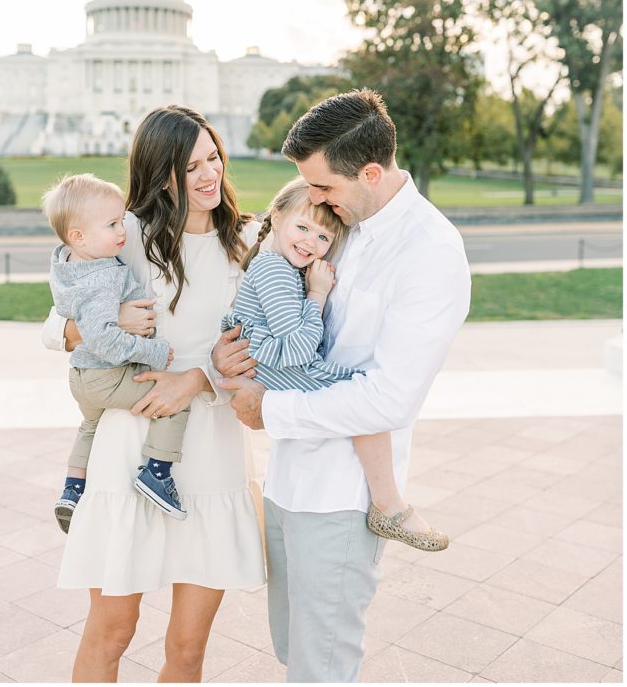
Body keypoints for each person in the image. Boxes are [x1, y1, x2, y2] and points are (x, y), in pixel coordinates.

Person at [215, 89, 471, 683]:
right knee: (290, 647)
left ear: (371, 172)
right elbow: (273, 313)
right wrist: (230, 355)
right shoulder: (339, 223)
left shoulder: (430, 252)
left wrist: (268, 408)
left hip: (342, 495)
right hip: (287, 480)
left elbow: (389, 397)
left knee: (322, 666)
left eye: (324, 187)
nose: (315, 201)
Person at [42, 105, 265, 683]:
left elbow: (263, 348)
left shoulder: (247, 240)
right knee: (112, 632)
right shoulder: (127, 235)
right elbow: (53, 328)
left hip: (210, 454)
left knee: (187, 648)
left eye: (213, 157)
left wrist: (197, 379)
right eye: (189, 165)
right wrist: (105, 319)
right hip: (128, 452)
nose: (208, 174)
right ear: (159, 172)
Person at [222, 175, 448, 550]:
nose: (311, 242)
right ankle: (389, 504)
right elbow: (296, 350)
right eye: (303, 227)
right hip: (278, 365)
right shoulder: (276, 270)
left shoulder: (278, 266)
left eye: (324, 238)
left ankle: (387, 501)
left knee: (359, 394)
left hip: (272, 362)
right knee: (362, 397)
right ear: (276, 217)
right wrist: (317, 293)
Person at [42, 173, 190, 531]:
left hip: (80, 376)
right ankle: (157, 473)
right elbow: (105, 341)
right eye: (111, 224)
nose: (122, 230)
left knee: (89, 425)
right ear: (78, 236)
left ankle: (73, 489)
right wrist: (152, 351)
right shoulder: (103, 277)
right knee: (174, 401)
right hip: (104, 375)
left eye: (121, 219)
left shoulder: (67, 263)